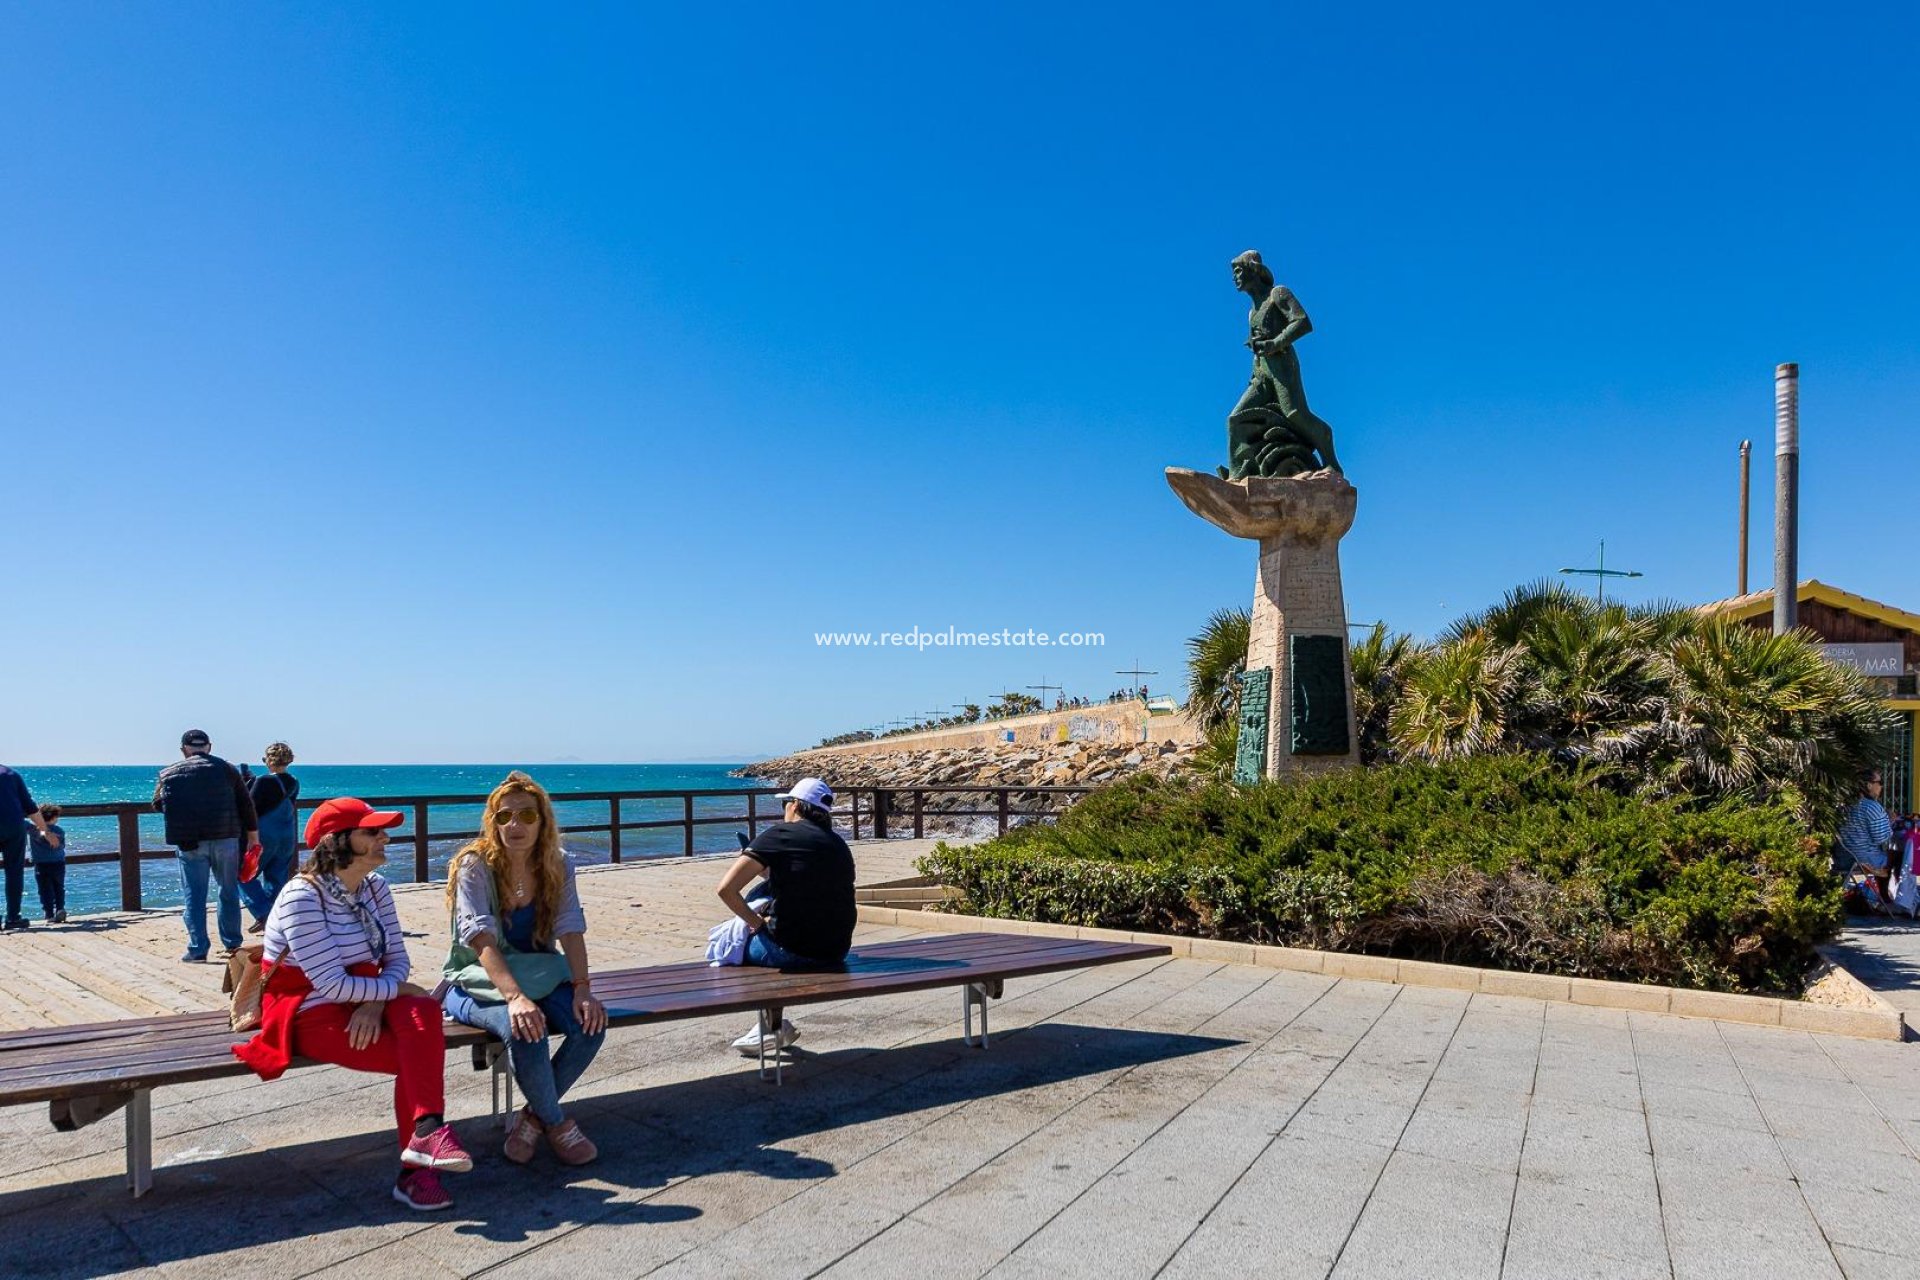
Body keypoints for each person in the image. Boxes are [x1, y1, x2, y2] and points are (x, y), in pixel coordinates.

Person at [232, 796, 474, 1212]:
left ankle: (426, 1136)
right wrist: (393, 992)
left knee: (424, 1011)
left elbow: (397, 961)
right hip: (308, 1008)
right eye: (372, 831)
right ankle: (417, 1169)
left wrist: (378, 1002)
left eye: (382, 830)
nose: (385, 838)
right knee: (412, 1052)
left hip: (361, 994)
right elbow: (331, 984)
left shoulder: (375, 888)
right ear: (337, 841)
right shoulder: (300, 897)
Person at [441, 771, 606, 1166]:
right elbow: (479, 937)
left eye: (527, 816)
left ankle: (531, 1119)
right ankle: (557, 1123)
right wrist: (514, 997)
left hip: (540, 970)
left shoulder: (558, 863)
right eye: (504, 816)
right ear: (492, 821)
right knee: (525, 1030)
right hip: (476, 979)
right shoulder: (474, 865)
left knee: (591, 1025)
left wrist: (583, 987)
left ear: (543, 821)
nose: (514, 825)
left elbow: (570, 925)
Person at [714, 776, 856, 1055]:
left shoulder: (778, 835)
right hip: (837, 951)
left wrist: (757, 925)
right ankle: (772, 1027)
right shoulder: (838, 844)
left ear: (795, 805)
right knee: (767, 902)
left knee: (733, 948)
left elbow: (725, 890)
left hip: (793, 953)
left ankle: (771, 1027)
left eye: (786, 804)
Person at [1224, 249, 1344, 478]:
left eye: (1238, 270)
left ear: (1253, 270)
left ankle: (1331, 462)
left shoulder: (1277, 294)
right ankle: (1238, 475)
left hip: (1282, 365)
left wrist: (1276, 343)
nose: (1235, 277)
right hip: (1261, 372)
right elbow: (1258, 349)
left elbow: (1302, 322)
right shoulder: (1252, 312)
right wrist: (1256, 371)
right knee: (1236, 419)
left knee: (1295, 413)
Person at [153, 730, 259, 962]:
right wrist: (253, 836)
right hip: (226, 839)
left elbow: (158, 804)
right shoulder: (228, 769)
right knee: (228, 891)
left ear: (183, 749)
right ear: (209, 747)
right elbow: (245, 804)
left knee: (194, 896)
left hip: (189, 842)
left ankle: (198, 948)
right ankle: (232, 945)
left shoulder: (168, 773)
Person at [242, 742, 301, 933]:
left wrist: (246, 784)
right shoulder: (293, 781)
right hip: (286, 834)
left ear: (269, 760)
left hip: (265, 835)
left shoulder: (264, 781)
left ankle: (264, 913)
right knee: (277, 878)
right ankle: (278, 920)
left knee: (243, 875)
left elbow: (250, 808)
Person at [0, 764, 61, 932]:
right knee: (14, 872)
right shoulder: (10, 774)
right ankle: (13, 917)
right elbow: (31, 807)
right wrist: (45, 831)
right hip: (14, 827)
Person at [1837, 770, 1896, 896]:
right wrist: (1890, 821)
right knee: (1899, 857)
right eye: (1879, 783)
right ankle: (1888, 898)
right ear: (1869, 785)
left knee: (1887, 856)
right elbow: (1881, 838)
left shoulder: (1843, 805)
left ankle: (1883, 898)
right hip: (1863, 859)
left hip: (1842, 858)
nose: (1881, 786)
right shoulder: (1871, 807)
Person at [27, 804, 67, 923]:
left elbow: (23, 824)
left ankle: (49, 913)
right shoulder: (59, 831)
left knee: (45, 889)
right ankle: (60, 909)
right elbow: (62, 846)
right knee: (59, 887)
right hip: (58, 863)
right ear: (54, 817)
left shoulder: (33, 830)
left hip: (41, 864)